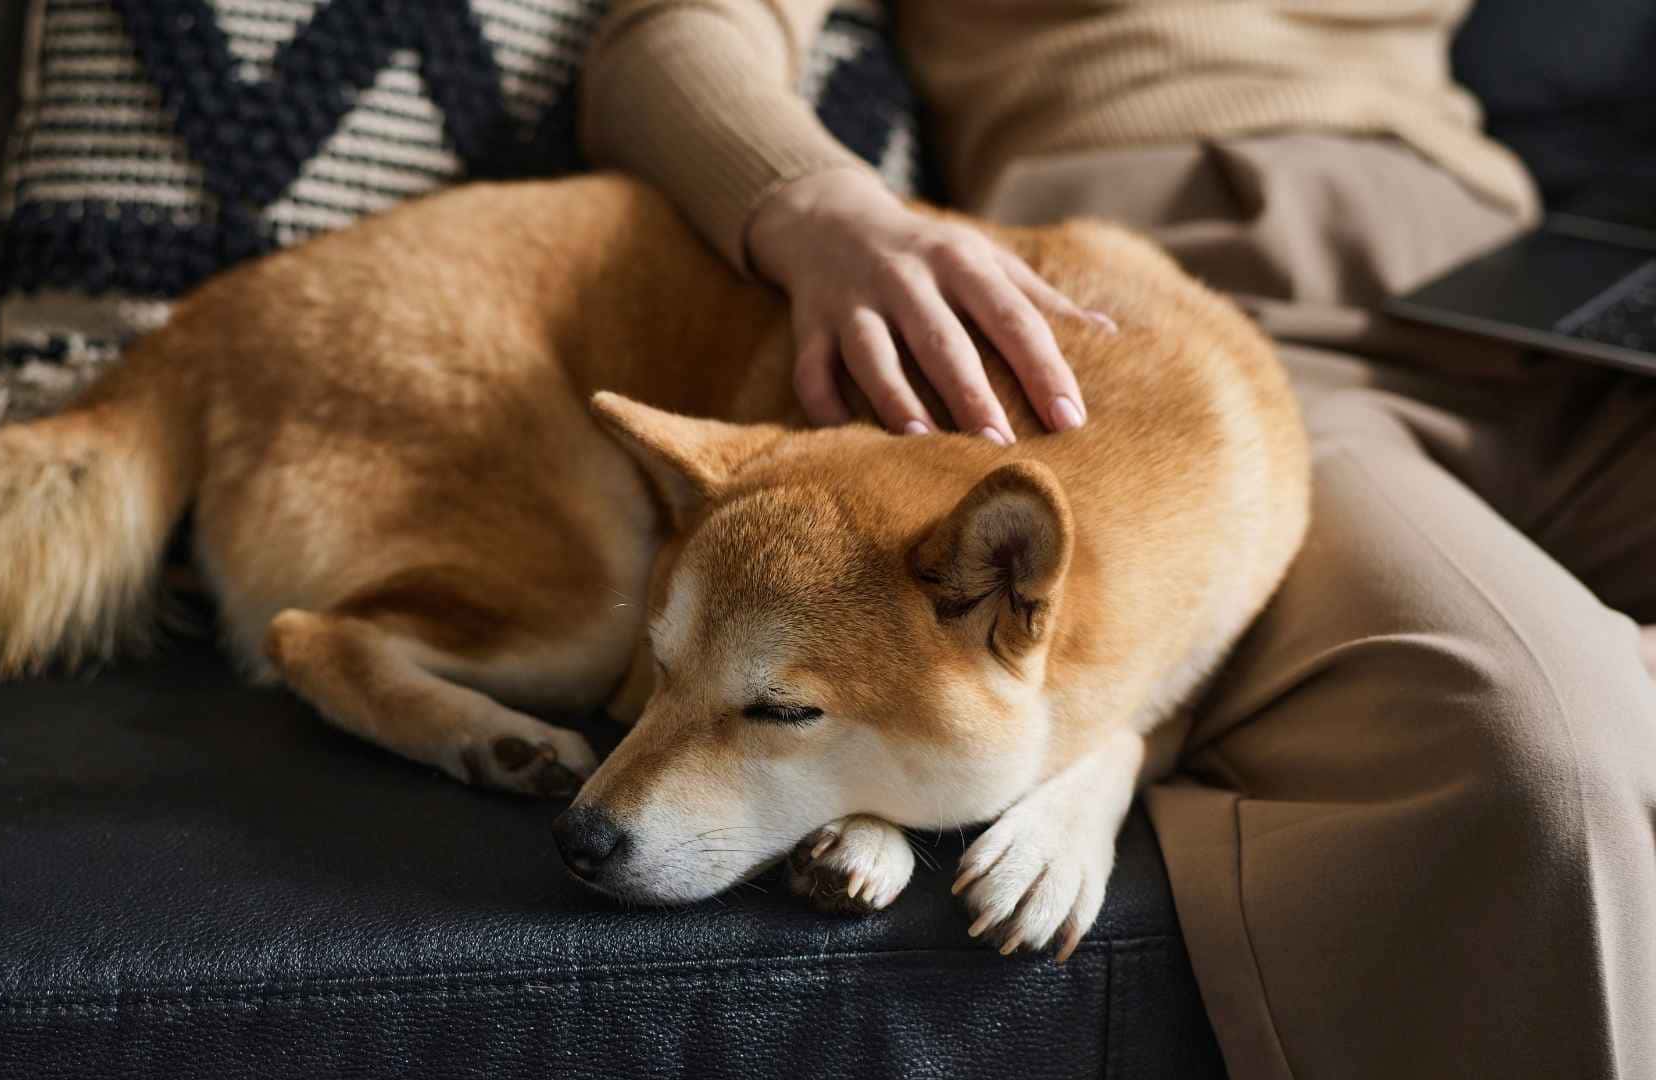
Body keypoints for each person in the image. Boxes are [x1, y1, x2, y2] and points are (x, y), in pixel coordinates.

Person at [578, 2, 1656, 1077]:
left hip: (1534, 300)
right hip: (1194, 336)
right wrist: (819, 207)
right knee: (1554, 750)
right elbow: (669, 38)